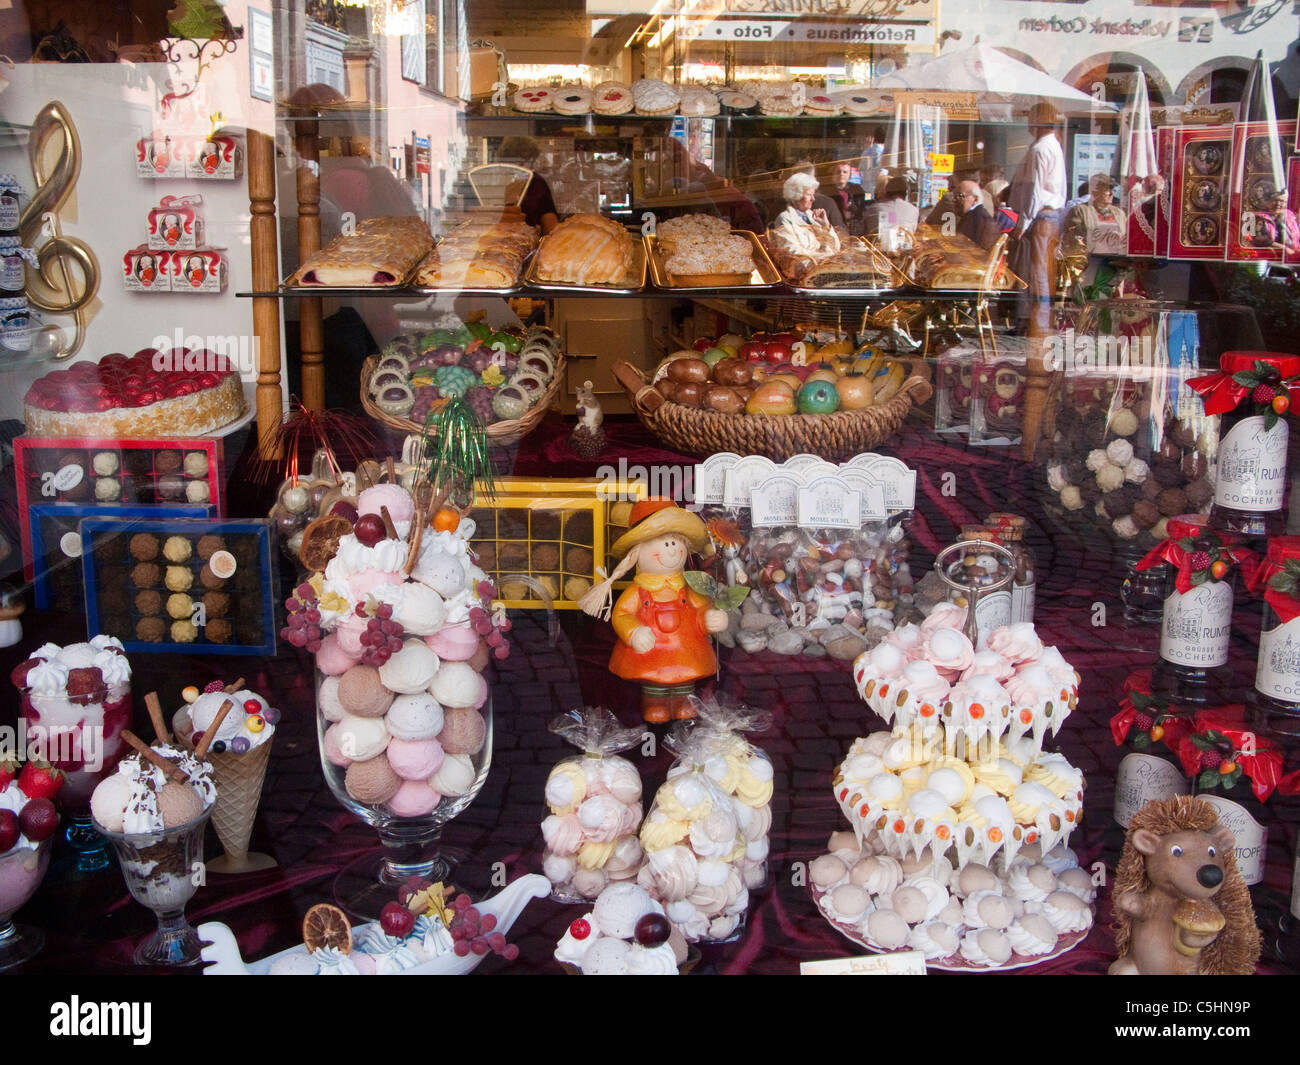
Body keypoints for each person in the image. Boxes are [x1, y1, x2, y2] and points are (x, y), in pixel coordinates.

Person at [1007, 102, 1067, 333]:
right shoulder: (1051, 146)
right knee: (1041, 273)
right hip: (1046, 217)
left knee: (1039, 274)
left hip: (1041, 217)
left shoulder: (1041, 149)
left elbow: (1035, 192)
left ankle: (1039, 328)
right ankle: (1037, 325)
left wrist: (1022, 222)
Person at [497, 135, 560, 234]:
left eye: (527, 160)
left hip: (526, 240)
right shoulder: (490, 178)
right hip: (492, 237)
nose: (522, 165)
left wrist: (555, 240)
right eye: (517, 160)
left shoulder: (536, 182)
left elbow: (550, 222)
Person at [771, 172, 841, 256]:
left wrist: (826, 226)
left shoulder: (812, 217)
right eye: (809, 195)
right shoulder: (785, 218)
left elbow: (836, 247)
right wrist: (824, 256)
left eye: (813, 194)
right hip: (810, 267)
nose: (813, 199)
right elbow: (792, 253)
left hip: (826, 265)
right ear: (796, 195)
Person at [926, 173, 1001, 250]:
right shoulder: (969, 216)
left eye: (960, 195)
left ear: (975, 199)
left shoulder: (982, 222)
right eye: (954, 196)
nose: (955, 199)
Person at [1062, 173, 1127, 257]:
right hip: (1090, 262)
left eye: (1113, 189)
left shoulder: (1119, 213)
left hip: (1115, 261)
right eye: (1107, 189)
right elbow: (1072, 240)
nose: (1112, 193)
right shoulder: (1080, 211)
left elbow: (1126, 238)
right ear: (1094, 192)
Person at [863, 175, 919, 251]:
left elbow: (864, 233)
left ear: (886, 192)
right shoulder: (913, 210)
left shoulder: (873, 208)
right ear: (906, 193)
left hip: (877, 255)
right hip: (905, 255)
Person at [824, 161, 866, 235]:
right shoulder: (827, 191)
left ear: (849, 175)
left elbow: (862, 210)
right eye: (838, 171)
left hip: (854, 229)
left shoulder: (857, 190)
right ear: (833, 174)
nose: (841, 174)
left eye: (845, 172)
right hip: (835, 228)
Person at [859, 126, 886, 198]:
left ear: (874, 137)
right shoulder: (885, 153)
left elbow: (861, 170)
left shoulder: (866, 152)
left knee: (868, 205)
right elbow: (883, 173)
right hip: (878, 190)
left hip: (866, 189)